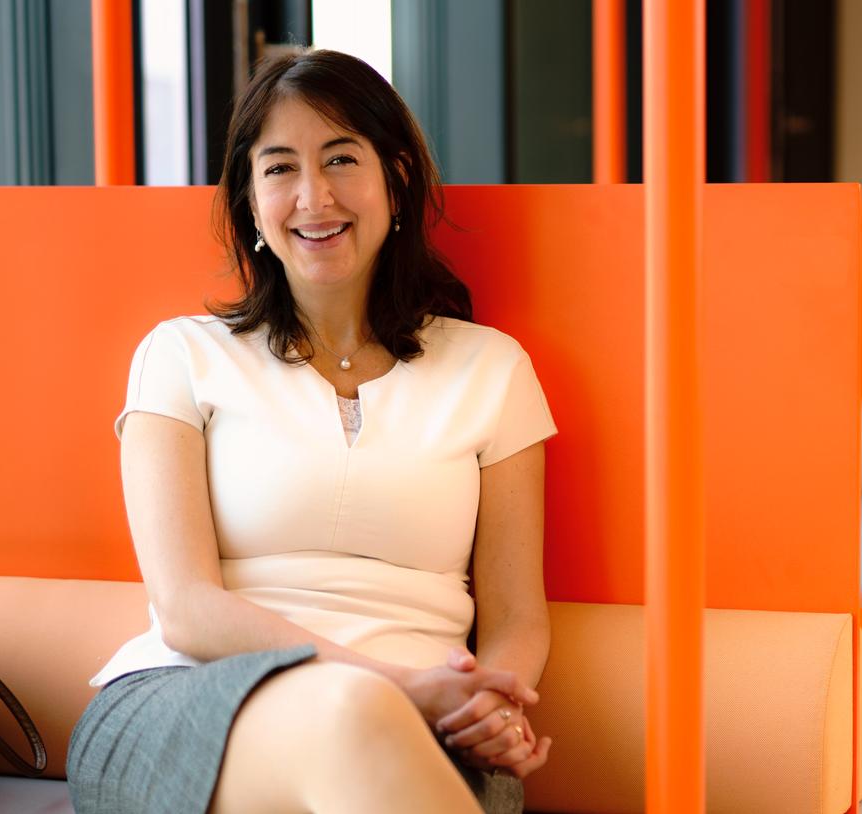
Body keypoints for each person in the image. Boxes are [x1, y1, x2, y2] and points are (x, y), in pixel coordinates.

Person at [66, 49, 556, 814]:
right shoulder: (182, 355)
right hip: (190, 703)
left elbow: (518, 615)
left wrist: (495, 700)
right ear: (250, 201)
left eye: (339, 159)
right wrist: (398, 688)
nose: (313, 196)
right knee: (352, 712)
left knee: (368, 727)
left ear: (395, 178)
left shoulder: (493, 370)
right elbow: (187, 608)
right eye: (279, 167)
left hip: (432, 727)